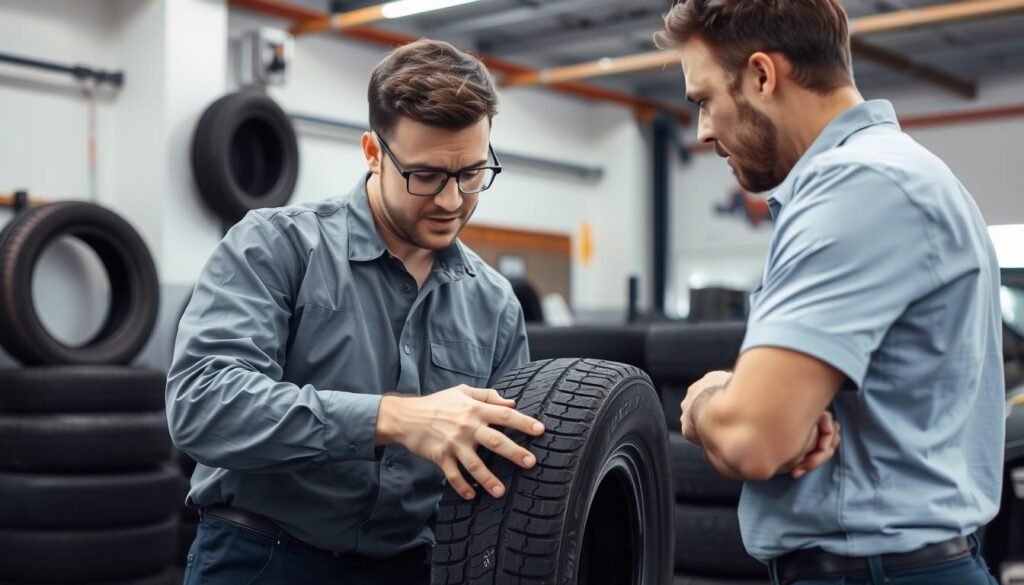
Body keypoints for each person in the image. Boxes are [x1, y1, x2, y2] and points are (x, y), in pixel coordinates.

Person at [167, 39, 544, 585]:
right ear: (372, 151)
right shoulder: (275, 247)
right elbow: (202, 404)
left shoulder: (495, 304)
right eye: (426, 176)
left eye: (470, 174)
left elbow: (496, 464)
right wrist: (394, 419)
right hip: (264, 557)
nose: (451, 201)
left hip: (412, 568)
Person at [658, 2, 1005, 584]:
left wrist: (703, 401)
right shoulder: (890, 175)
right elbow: (771, 424)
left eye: (704, 100)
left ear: (763, 76)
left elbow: (751, 439)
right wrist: (754, 404)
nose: (704, 131)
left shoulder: (859, 186)